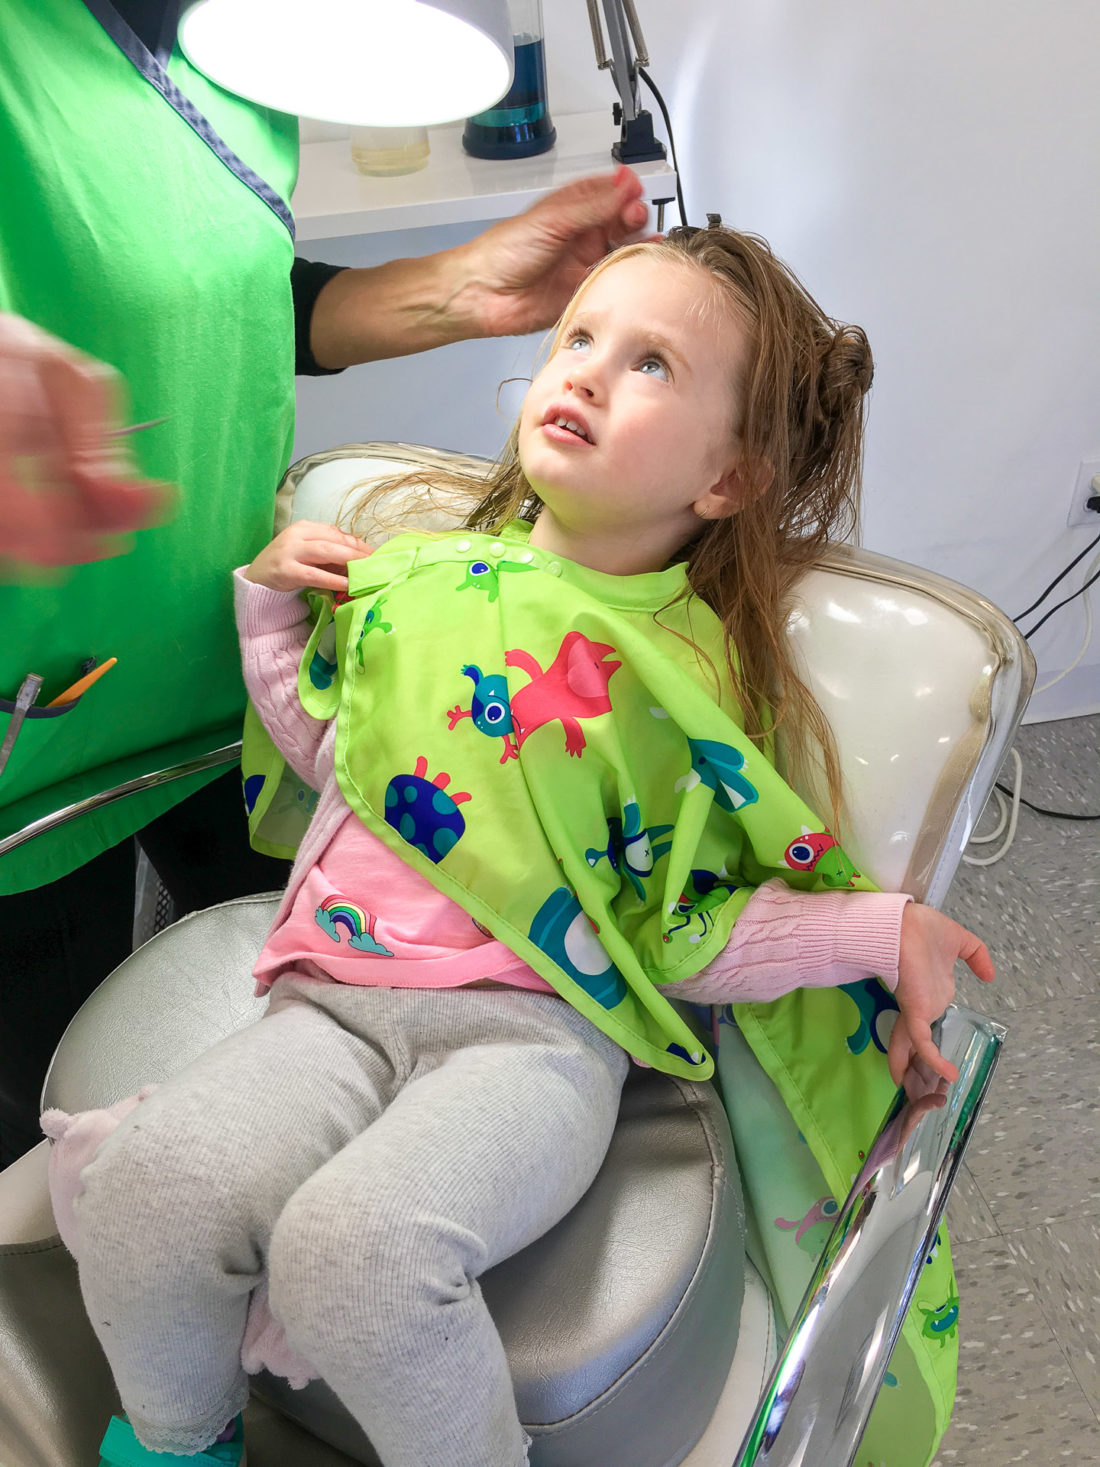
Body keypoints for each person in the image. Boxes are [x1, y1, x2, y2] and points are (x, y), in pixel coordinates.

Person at [63, 224, 994, 1467]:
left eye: (652, 364)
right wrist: (274, 620)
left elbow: (681, 927)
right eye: (579, 338)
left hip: (533, 1039)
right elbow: (349, 772)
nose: (588, 372)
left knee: (360, 1256)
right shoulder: (418, 583)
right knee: (148, 1189)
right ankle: (179, 1447)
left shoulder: (681, 679)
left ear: (727, 480)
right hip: (329, 1003)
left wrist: (881, 926)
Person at [0, 0, 651, 1165]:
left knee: (291, 1053)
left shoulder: (250, 38)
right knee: (56, 1146)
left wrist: (454, 290)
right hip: (33, 747)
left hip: (221, 661)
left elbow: (220, 285)